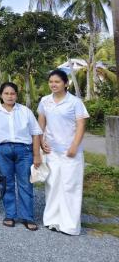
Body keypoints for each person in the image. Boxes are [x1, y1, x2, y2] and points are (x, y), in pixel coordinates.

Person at [0, 82, 43, 230]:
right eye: (6, 93)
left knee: (25, 184)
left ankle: (27, 217)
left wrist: (37, 155)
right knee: (6, 183)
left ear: (16, 95)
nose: (9, 96)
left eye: (12, 93)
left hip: (24, 151)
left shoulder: (25, 111)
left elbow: (36, 133)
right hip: (2, 150)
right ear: (1, 95)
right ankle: (10, 215)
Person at [37, 69, 89, 235]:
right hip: (51, 150)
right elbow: (41, 124)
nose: (53, 84)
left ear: (66, 84)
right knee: (52, 185)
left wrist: (74, 145)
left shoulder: (75, 102)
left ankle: (69, 225)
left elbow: (81, 125)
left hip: (70, 151)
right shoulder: (45, 101)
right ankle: (52, 220)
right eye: (51, 81)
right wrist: (41, 142)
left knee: (70, 186)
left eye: (57, 82)